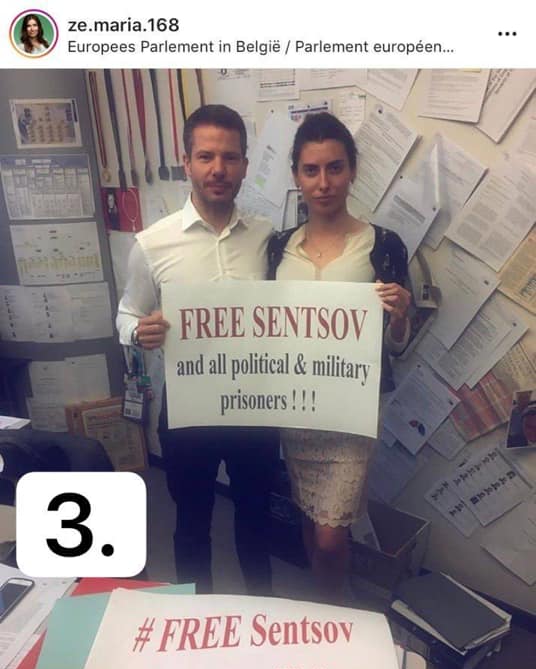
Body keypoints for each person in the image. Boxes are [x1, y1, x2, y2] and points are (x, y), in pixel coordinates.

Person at [116, 104, 278, 594]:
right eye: (206, 156)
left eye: (230, 157)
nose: (218, 169)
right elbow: (126, 311)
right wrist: (137, 332)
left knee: (256, 519)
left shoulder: (267, 239)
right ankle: (196, 611)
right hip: (188, 410)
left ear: (245, 165)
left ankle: (263, 610)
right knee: (191, 522)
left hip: (255, 406)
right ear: (186, 162)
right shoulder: (152, 243)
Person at [267, 113, 411, 603]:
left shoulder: (384, 246)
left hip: (352, 412)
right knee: (310, 515)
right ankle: (323, 603)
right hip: (295, 406)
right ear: (296, 175)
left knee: (331, 534)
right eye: (311, 170)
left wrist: (400, 316)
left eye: (335, 167)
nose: (323, 182)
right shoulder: (278, 249)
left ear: (352, 170)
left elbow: (397, 345)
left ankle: (333, 612)